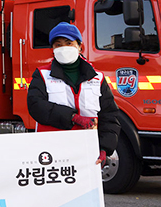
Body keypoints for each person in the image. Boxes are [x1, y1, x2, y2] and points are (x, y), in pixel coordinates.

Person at [27, 22, 120, 164]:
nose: (63, 48)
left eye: (68, 43)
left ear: (80, 46)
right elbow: (36, 106)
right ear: (52, 49)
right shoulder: (42, 75)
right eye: (58, 45)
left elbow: (109, 115)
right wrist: (73, 117)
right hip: (51, 151)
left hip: (86, 151)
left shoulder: (97, 78)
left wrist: (104, 148)